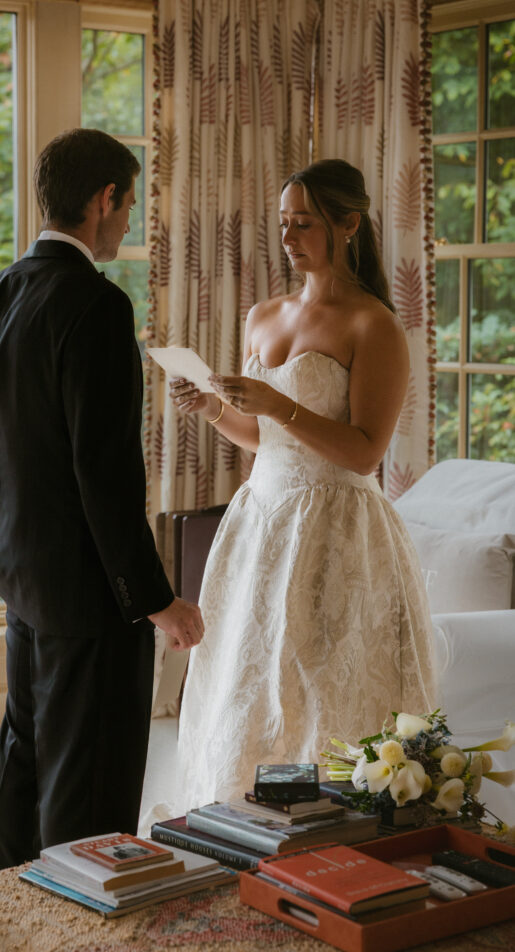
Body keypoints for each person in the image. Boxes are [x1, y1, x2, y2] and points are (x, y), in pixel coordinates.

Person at [0, 128, 203, 870]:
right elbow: (104, 475)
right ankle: (72, 921)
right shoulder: (97, 306)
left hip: (23, 582)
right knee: (89, 786)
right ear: (103, 199)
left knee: (26, 757)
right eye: (128, 205)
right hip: (91, 596)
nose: (128, 223)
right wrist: (155, 600)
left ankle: (4, 907)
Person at [169, 158, 438, 810]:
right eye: (283, 222)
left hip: (338, 528)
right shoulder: (262, 315)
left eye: (304, 224)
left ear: (348, 225)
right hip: (262, 520)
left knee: (322, 684)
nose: (287, 237)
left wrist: (278, 403)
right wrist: (214, 409)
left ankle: (332, 823)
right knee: (254, 680)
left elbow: (364, 452)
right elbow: (268, 439)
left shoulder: (373, 324)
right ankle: (241, 817)